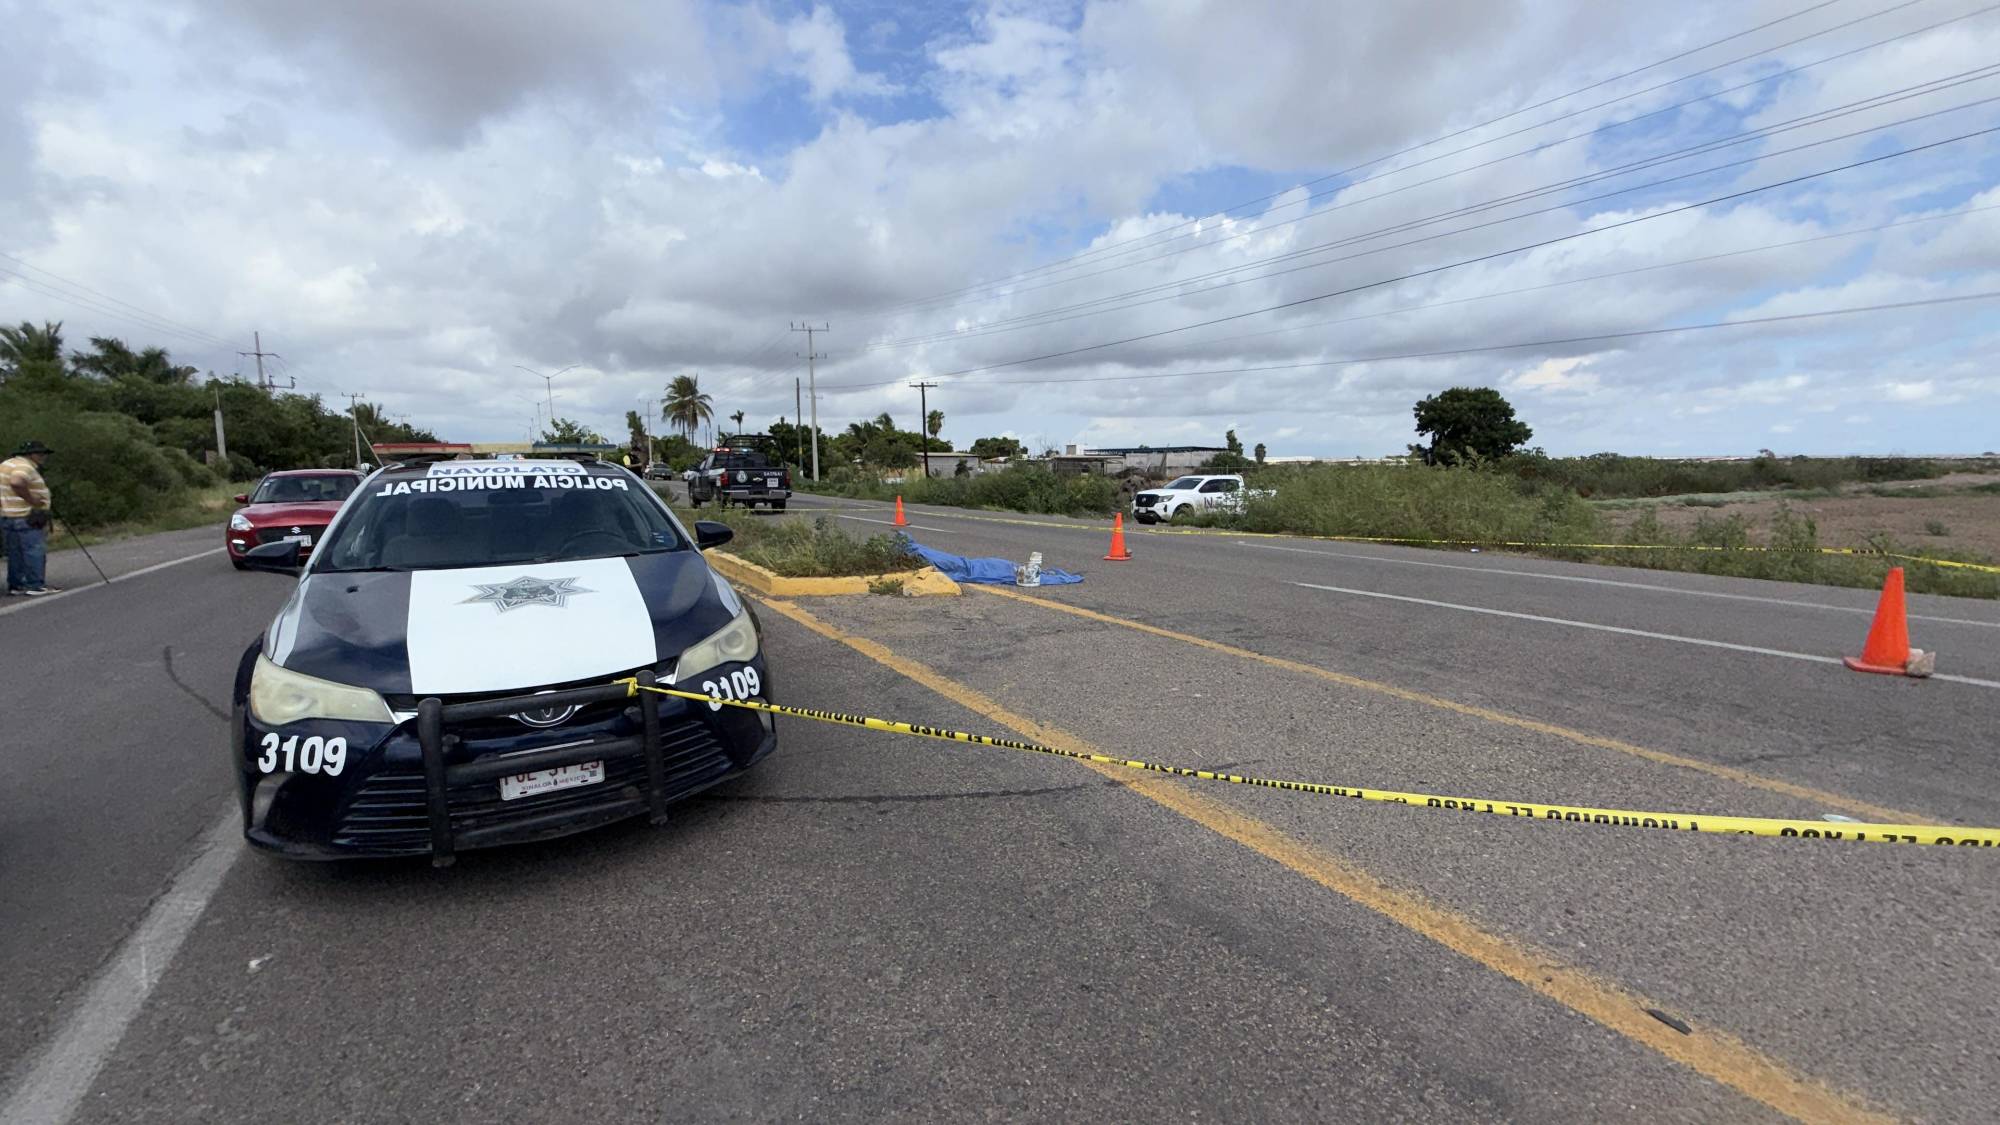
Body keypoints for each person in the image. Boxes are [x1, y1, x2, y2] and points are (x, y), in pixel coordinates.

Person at [2, 439, 60, 597]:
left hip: (8, 515)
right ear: (29, 455)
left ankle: (16, 585)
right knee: (34, 550)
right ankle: (35, 585)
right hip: (27, 515)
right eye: (39, 454)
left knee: (15, 553)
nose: (43, 457)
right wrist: (33, 500)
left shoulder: (6, 465)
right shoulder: (24, 467)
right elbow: (17, 482)